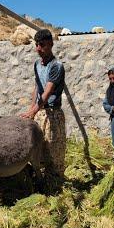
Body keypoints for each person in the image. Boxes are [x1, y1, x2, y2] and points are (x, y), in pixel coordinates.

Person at [20, 29, 66, 185]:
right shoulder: (36, 64)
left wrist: (33, 111)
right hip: (40, 112)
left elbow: (47, 92)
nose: (38, 48)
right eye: (37, 45)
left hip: (53, 114)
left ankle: (56, 184)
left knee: (54, 150)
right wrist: (31, 109)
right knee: (39, 149)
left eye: (42, 45)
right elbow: (37, 87)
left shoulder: (56, 66)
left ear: (51, 44)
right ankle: (40, 182)